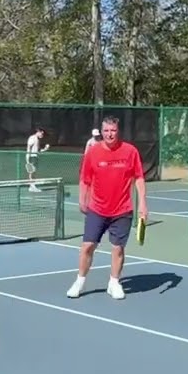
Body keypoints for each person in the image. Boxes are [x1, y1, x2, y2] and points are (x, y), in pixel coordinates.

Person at [67, 116, 147, 300]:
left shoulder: (130, 151)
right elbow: (85, 179)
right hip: (97, 209)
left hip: (122, 209)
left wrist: (143, 202)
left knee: (118, 248)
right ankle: (79, 281)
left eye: (113, 131)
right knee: (87, 246)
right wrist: (82, 199)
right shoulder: (93, 152)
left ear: (118, 131)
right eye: (106, 131)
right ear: (102, 132)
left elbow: (139, 178)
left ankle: (114, 282)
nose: (110, 134)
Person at [25, 126, 50, 191]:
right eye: (42, 134)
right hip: (32, 157)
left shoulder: (38, 140)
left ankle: (32, 186)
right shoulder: (32, 138)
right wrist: (27, 159)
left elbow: (38, 151)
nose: (42, 135)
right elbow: (28, 149)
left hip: (35, 157)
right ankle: (32, 187)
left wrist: (45, 149)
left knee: (34, 172)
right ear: (38, 132)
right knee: (32, 172)